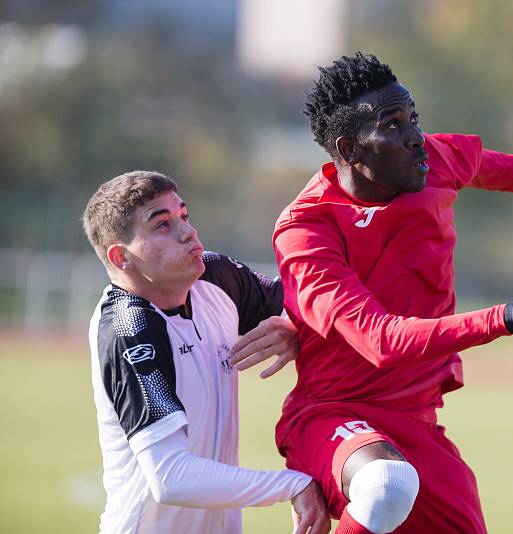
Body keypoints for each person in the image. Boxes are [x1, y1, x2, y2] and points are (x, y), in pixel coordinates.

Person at [268, 53, 513, 534]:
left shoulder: (430, 161)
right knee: (385, 485)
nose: (416, 136)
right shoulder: (306, 229)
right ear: (350, 148)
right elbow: (383, 341)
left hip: (417, 422)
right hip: (333, 418)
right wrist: (512, 316)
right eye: (392, 125)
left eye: (413, 118)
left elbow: (491, 165)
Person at [82, 171, 330, 534]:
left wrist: (297, 328)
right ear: (121, 257)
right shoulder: (129, 328)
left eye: (184, 216)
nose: (188, 232)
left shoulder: (214, 276)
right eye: (163, 225)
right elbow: (171, 477)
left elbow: (309, 307)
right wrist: (293, 484)